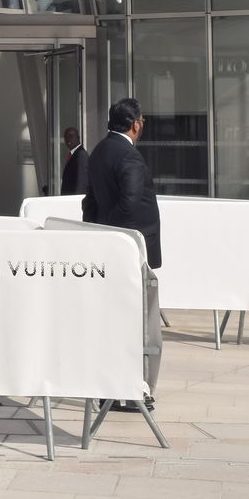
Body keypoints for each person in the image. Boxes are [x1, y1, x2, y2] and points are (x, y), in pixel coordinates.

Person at [82, 97, 161, 410]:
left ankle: (111, 389)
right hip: (127, 254)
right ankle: (126, 392)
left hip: (107, 250)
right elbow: (129, 205)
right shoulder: (129, 157)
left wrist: (97, 236)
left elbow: (90, 203)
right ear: (136, 124)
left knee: (112, 322)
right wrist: (117, 242)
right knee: (133, 323)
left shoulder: (100, 150)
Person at [61, 126, 89, 196]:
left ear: (78, 138)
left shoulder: (81, 154)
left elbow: (81, 182)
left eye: (71, 136)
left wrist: (77, 202)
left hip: (75, 201)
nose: (68, 140)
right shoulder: (73, 154)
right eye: (66, 137)